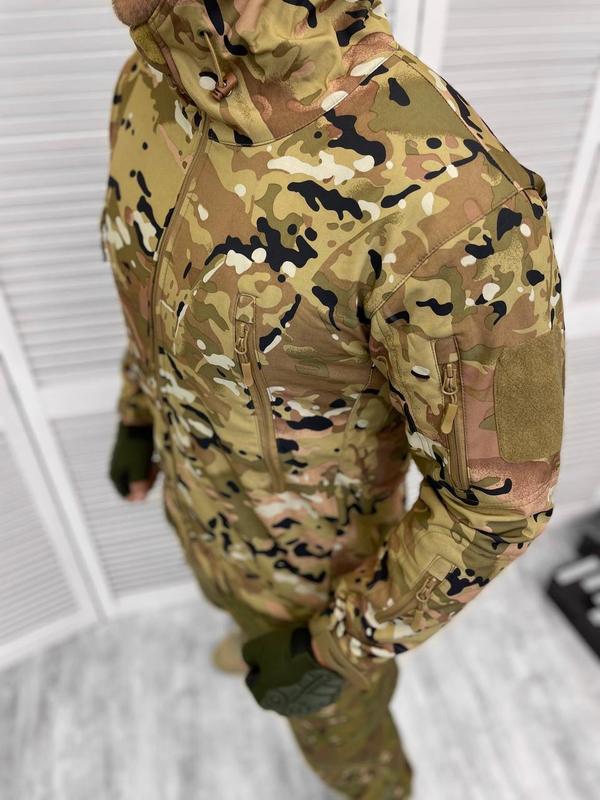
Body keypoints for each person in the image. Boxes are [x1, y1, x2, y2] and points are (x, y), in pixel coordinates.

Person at [104, 1, 566, 797]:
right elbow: (150, 284)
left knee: (353, 759)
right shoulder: (152, 83)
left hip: (325, 592)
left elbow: (505, 501)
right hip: (204, 520)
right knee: (235, 612)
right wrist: (136, 411)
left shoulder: (468, 209)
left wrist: (338, 648)